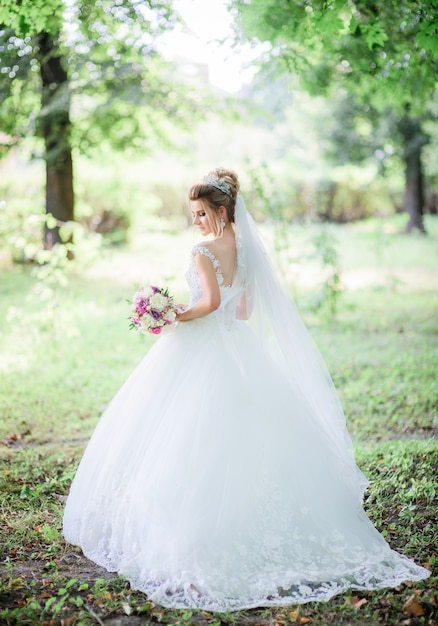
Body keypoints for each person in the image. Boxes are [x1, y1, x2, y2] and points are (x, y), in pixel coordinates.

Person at [63, 167, 429, 612]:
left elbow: (212, 304)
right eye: (193, 214)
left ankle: (194, 540)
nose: (195, 221)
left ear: (220, 210)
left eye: (200, 212)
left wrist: (172, 315)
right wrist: (199, 312)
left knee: (192, 438)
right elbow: (245, 308)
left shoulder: (203, 250)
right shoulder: (247, 247)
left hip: (204, 348)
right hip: (238, 346)